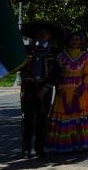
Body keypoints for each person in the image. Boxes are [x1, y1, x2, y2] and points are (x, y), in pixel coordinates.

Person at [45, 32, 88, 153]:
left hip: (79, 91)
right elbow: (57, 73)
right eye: (73, 39)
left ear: (81, 41)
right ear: (68, 41)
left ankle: (80, 143)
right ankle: (64, 145)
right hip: (63, 91)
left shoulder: (87, 57)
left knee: (78, 116)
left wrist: (82, 88)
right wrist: (58, 87)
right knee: (64, 116)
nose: (75, 42)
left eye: (77, 40)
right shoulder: (61, 56)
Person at [19, 23, 60, 158]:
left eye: (45, 33)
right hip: (28, 88)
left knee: (42, 118)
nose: (42, 35)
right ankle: (26, 149)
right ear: (35, 35)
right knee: (28, 119)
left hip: (45, 89)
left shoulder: (55, 52)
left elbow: (56, 73)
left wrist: (45, 89)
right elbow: (17, 67)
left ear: (50, 36)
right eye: (40, 32)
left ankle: (40, 147)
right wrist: (24, 63)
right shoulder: (25, 49)